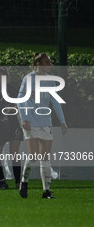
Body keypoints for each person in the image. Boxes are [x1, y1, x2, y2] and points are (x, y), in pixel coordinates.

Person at [18, 53, 67, 199]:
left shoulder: (50, 81)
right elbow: (21, 100)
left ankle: (46, 191)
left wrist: (62, 121)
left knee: (45, 157)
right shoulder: (28, 78)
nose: (50, 65)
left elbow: (56, 102)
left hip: (46, 122)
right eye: (47, 62)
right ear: (38, 63)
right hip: (31, 122)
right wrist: (25, 118)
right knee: (33, 156)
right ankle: (24, 182)